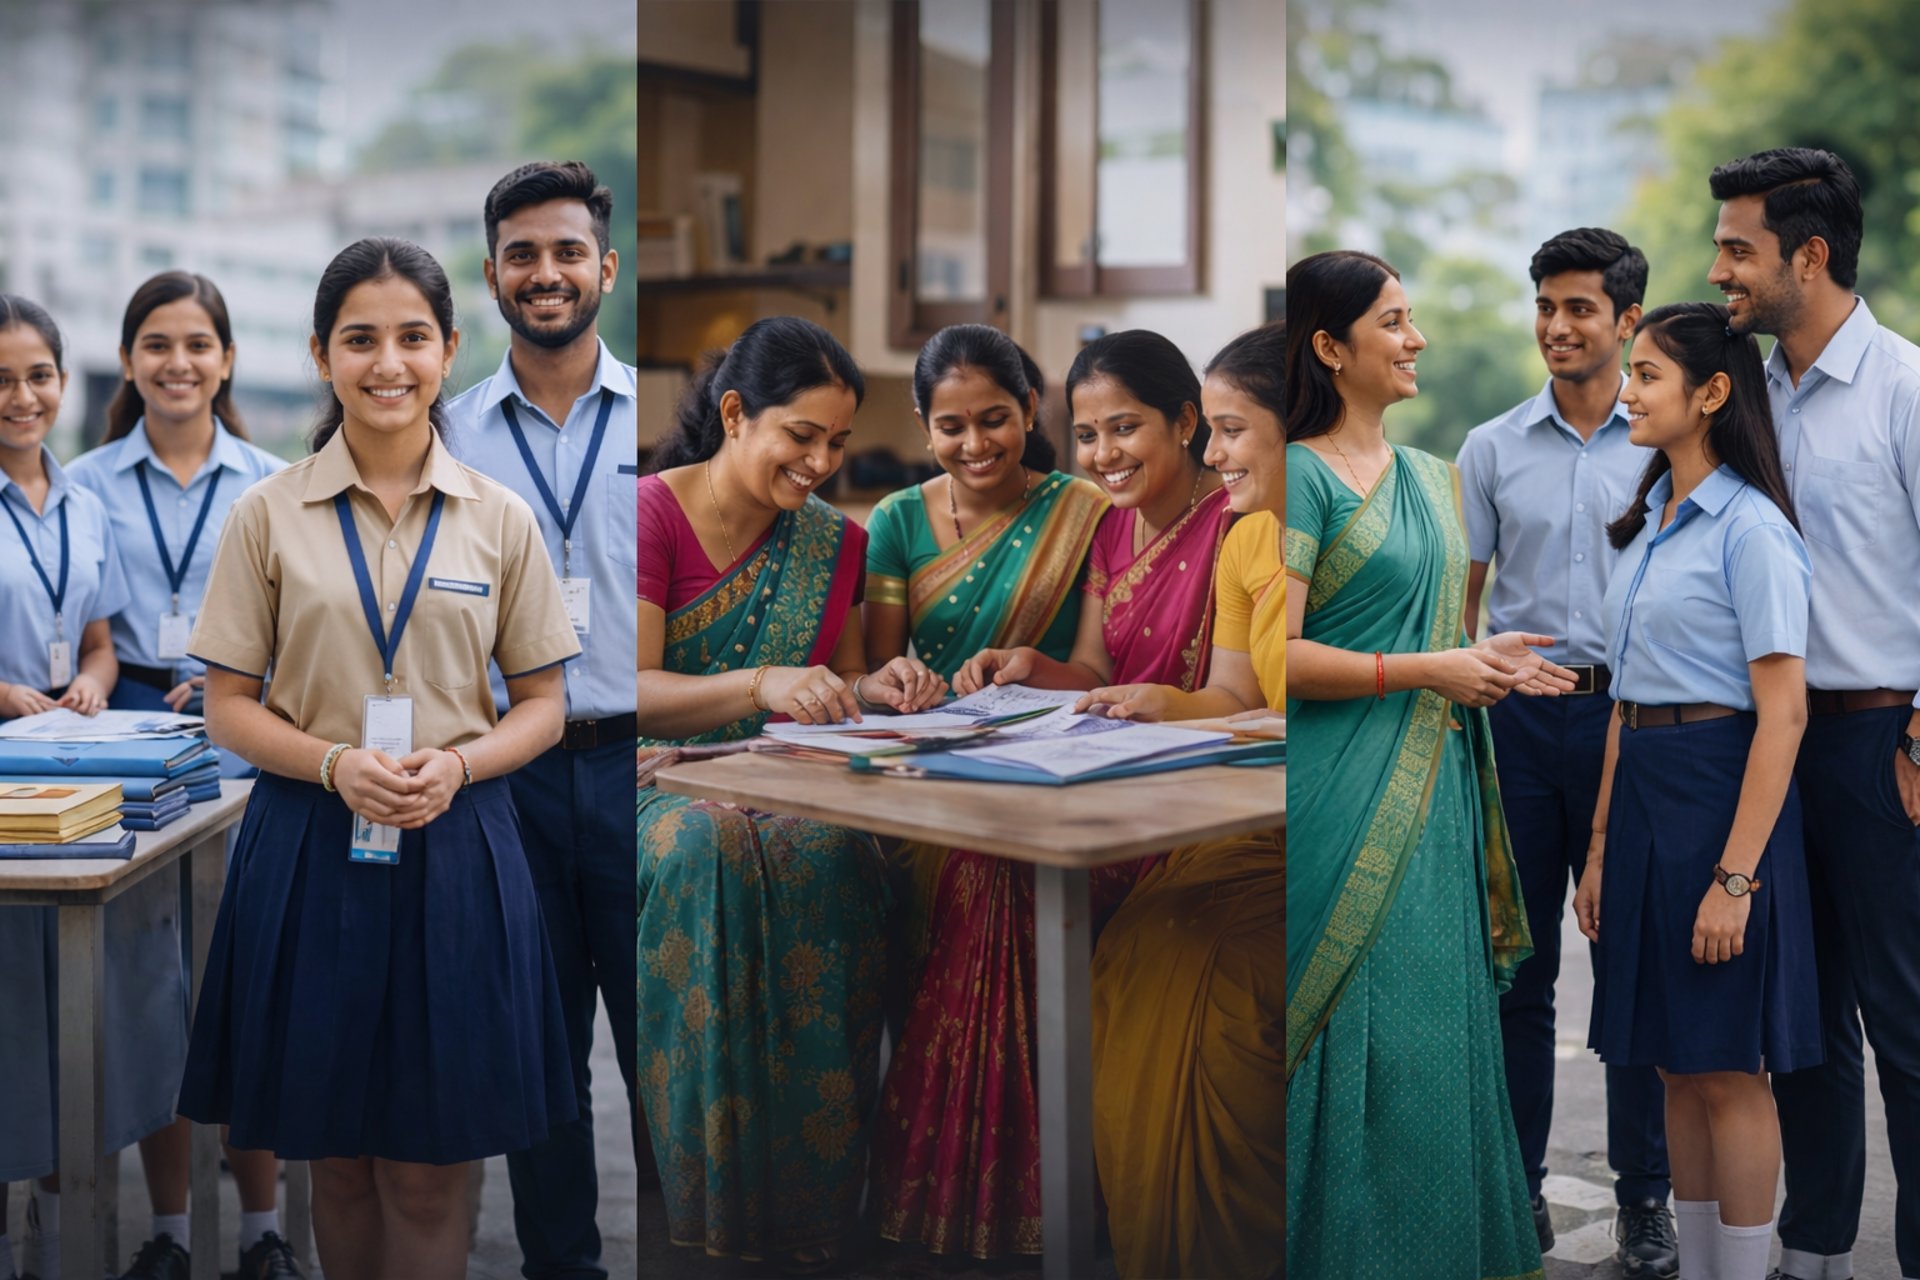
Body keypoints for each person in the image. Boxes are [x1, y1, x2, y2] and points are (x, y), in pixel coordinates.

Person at [177, 238, 582, 1280]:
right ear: (321, 355)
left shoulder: (500, 518)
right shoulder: (267, 513)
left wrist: (461, 766)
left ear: (449, 349)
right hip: (310, 844)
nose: (388, 363)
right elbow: (227, 707)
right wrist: (332, 765)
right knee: (340, 1160)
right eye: (360, 339)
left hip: (458, 846)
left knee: (428, 1168)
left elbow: (544, 705)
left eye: (412, 338)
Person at [869, 328, 1208, 1261]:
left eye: (995, 419)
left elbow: (1101, 674)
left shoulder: (1091, 510)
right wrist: (929, 682)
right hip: (949, 766)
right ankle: (969, 1200)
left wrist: (1036, 672)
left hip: (1081, 771)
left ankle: (1017, 1206)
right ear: (923, 425)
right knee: (979, 863)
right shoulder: (898, 518)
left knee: (1001, 871)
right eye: (951, 426)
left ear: (1028, 411)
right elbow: (881, 670)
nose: (975, 443)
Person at [1283, 250, 1569, 1279]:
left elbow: (1440, 636)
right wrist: (1430, 667)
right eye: (1394, 322)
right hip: (1335, 791)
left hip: (1437, 793)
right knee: (1348, 1025)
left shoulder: (1434, 477)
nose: (1418, 340)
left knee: (1436, 1034)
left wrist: (1484, 658)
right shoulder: (1296, 475)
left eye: (1413, 319)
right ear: (1329, 346)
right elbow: (1279, 655)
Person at [636, 315, 937, 1273]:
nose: (821, 463)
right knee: (709, 849)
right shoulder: (647, 514)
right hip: (656, 777)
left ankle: (816, 1213)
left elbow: (834, 687)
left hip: (781, 779)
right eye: (801, 436)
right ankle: (713, 1207)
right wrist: (761, 682)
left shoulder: (834, 544)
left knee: (839, 850)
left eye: (837, 442)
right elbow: (630, 688)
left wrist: (877, 687)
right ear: (735, 414)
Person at [1570, 301, 1819, 1280]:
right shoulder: (1654, 523)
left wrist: (1735, 880)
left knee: (1727, 1067)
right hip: (1642, 799)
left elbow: (1784, 716)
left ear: (1712, 393)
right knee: (1673, 1062)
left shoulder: (1752, 531)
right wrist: (1598, 847)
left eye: (1646, 375)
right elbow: (1627, 702)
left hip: (1720, 799)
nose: (1626, 392)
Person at [1706, 146, 1920, 1280]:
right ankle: (1818, 1248)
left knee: (1909, 1026)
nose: (1719, 271)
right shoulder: (1742, 394)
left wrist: (1919, 741)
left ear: (1810, 254)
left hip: (1883, 743)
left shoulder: (1906, 388)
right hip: (1773, 743)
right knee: (1806, 1023)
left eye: (1738, 249)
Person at [64, 271, 299, 1280]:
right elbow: (74, 623)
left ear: (228, 359)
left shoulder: (276, 481)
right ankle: (166, 1231)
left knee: (242, 994)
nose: (178, 363)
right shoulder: (81, 484)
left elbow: (306, 622)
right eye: (157, 344)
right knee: (151, 1002)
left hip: (247, 752)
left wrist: (249, 678)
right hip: (121, 751)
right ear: (128, 360)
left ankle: (261, 1232)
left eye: (198, 344)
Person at [1455, 228, 1678, 1273]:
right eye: (1545, 305)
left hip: (1636, 722)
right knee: (1520, 968)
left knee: (1635, 965)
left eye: (1579, 307)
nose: (1555, 325)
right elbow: (1461, 610)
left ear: (1628, 319)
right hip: (1517, 724)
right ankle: (1518, 1189)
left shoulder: (1668, 441)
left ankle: (1646, 1198)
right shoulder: (1491, 447)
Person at [443, 160, 638, 1280]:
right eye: (522, 254)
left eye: (568, 252)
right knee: (541, 1052)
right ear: (492, 275)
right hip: (508, 777)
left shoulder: (662, 424)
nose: (546, 272)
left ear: (605, 267)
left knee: (662, 1045)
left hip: (637, 767)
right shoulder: (449, 436)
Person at [1069, 321, 1286, 1278]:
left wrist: (1230, 723)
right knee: (1131, 945)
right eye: (1218, 433)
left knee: (1210, 983)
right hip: (1231, 807)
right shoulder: (1240, 542)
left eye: (1234, 432)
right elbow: (1233, 695)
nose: (1218, 455)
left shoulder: (1329, 534)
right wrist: (1167, 703)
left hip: (1310, 814)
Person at [0, 294, 131, 1280]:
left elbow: (99, 637)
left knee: (58, 1010)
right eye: (1, 379)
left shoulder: (85, 499)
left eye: (38, 374)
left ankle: (53, 1230)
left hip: (65, 775)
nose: (22, 395)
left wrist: (91, 678)